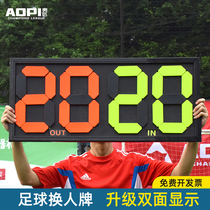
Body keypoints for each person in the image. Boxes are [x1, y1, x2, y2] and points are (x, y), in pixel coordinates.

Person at [1, 98, 208, 188]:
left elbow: (180, 174)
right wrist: (15, 137)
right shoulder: (69, 166)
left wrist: (194, 134)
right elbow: (27, 179)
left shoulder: (136, 163)